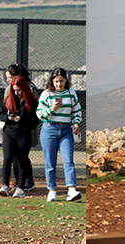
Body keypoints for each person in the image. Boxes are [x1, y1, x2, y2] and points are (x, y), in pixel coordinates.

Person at [36, 68, 83, 202]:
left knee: (68, 160)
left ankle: (72, 190)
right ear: (52, 80)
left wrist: (76, 123)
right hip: (49, 129)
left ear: (66, 80)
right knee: (50, 163)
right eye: (56, 81)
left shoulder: (71, 92)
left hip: (66, 130)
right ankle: (51, 191)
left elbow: (77, 110)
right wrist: (51, 109)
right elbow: (39, 113)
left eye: (61, 81)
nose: (59, 84)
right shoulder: (46, 94)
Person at [0, 75, 39, 198]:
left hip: (23, 134)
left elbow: (35, 121)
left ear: (25, 88)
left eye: (19, 90)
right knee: (7, 159)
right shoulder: (8, 100)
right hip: (9, 133)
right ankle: (5, 185)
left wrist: (22, 119)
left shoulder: (32, 102)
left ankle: (20, 188)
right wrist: (8, 118)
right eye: (14, 90)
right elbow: (1, 114)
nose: (17, 93)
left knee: (21, 161)